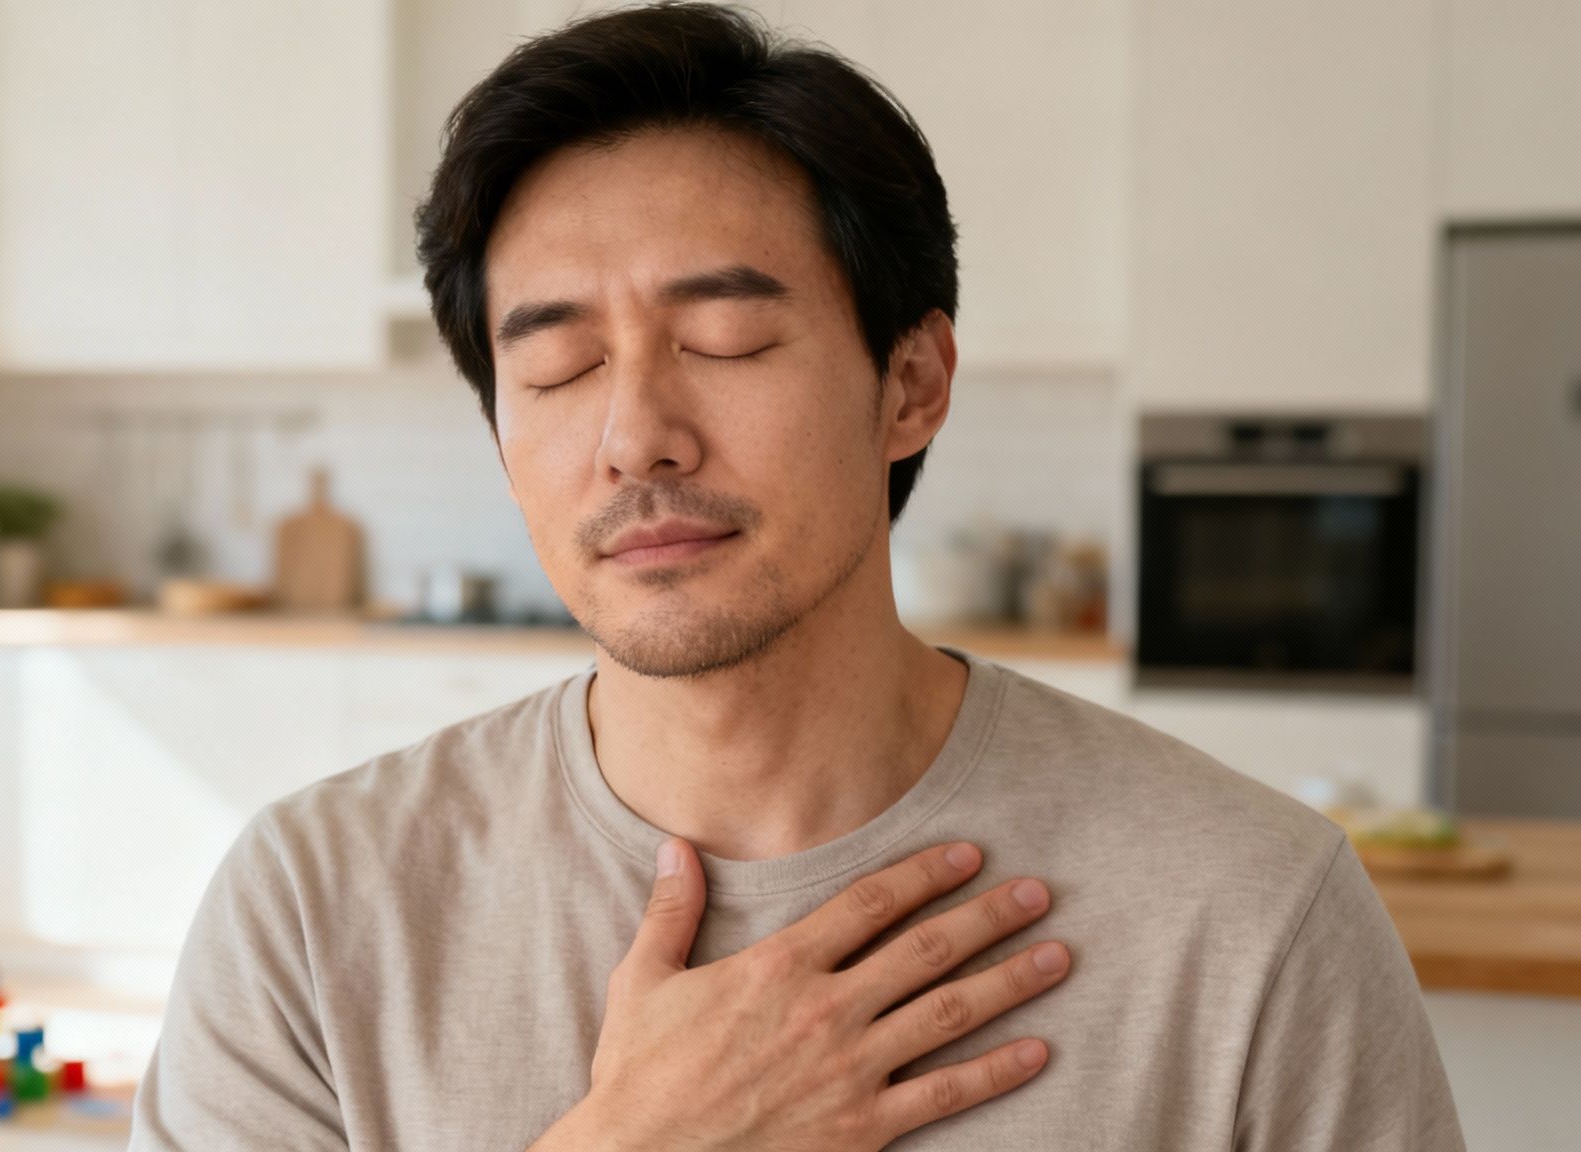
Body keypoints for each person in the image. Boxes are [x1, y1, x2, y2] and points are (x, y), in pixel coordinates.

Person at [132, 4, 1464, 1148]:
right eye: (556, 365)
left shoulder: (1250, 913)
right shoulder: (314, 909)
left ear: (912, 383)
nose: (634, 434)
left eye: (722, 337)